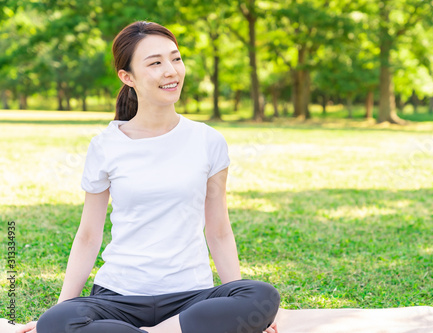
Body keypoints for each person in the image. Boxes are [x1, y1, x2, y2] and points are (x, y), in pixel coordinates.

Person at [16, 21, 280, 333]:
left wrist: (235, 301)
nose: (171, 71)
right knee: (56, 322)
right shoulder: (106, 145)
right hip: (117, 298)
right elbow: (88, 235)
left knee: (262, 296)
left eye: (176, 58)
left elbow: (219, 231)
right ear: (127, 77)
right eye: (155, 63)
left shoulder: (208, 141)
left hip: (191, 297)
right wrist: (60, 308)